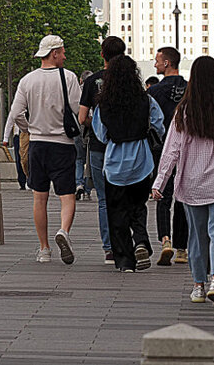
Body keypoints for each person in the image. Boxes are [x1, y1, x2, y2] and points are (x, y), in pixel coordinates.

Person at [152, 55, 214, 308]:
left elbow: (171, 150)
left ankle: (198, 286)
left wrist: (159, 183)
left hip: (191, 185)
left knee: (197, 237)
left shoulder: (184, 112)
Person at [3, 34, 82, 264]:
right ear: (54, 53)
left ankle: (44, 249)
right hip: (63, 145)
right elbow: (77, 109)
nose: (65, 56)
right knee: (67, 196)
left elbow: (15, 112)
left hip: (37, 145)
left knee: (40, 198)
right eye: (63, 52)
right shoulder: (68, 78)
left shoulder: (27, 80)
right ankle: (64, 231)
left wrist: (26, 129)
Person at [92, 55, 164, 272]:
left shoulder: (103, 104)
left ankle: (124, 260)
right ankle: (141, 240)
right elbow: (159, 126)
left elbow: (101, 134)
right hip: (142, 161)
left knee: (116, 212)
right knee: (138, 207)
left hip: (114, 162)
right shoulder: (146, 100)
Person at [78, 35, 126, 265]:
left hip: (98, 146)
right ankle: (125, 243)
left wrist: (97, 123)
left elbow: (81, 117)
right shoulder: (131, 80)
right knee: (125, 197)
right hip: (127, 146)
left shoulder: (92, 82)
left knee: (104, 199)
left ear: (102, 55)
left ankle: (109, 248)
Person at [147, 45, 189, 266]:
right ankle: (182, 248)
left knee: (162, 195)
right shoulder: (190, 89)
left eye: (157, 60)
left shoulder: (154, 92)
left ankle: (165, 240)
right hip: (187, 150)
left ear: (167, 63)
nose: (155, 64)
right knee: (182, 196)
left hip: (160, 148)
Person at [74, 69, 94, 201]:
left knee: (79, 159)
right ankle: (87, 188)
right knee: (90, 159)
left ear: (81, 80)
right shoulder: (96, 90)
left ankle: (78, 183)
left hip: (77, 128)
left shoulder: (76, 91)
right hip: (91, 128)